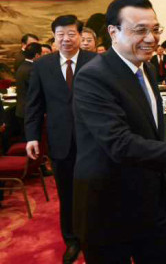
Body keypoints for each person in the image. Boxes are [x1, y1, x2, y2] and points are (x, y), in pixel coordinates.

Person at [72, 0, 166, 263]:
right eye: (140, 30)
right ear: (113, 32)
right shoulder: (93, 75)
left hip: (152, 202)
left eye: (155, 29)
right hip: (109, 206)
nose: (151, 38)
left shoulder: (148, 68)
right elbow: (120, 144)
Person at [25, 15, 96, 264]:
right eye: (60, 35)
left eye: (71, 34)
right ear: (54, 37)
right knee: (67, 195)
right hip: (60, 141)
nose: (66, 39)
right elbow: (34, 104)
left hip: (94, 141)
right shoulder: (42, 66)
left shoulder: (96, 62)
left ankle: (94, 237)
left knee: (94, 191)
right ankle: (72, 240)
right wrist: (32, 137)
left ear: (80, 35)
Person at [15, 42, 42, 138]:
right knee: (30, 139)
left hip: (21, 109)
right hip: (29, 111)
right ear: (37, 55)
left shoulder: (22, 66)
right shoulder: (32, 69)